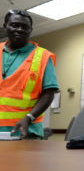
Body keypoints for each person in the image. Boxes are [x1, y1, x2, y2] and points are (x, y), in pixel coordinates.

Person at [0, 9, 59, 139]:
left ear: (30, 30)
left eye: (25, 27)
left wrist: (29, 118)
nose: (20, 29)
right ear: (5, 27)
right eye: (15, 25)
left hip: (26, 131)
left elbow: (49, 93)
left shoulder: (43, 56)